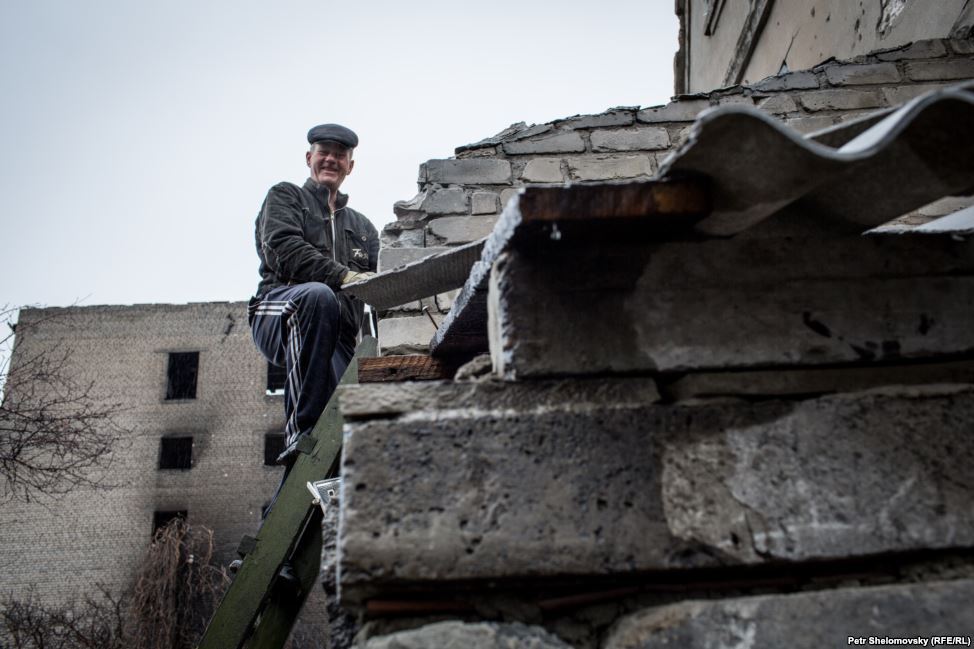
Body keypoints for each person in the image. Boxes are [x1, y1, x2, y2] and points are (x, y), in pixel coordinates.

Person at [249, 123, 379, 470]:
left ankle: (303, 488)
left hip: (337, 335)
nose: (331, 159)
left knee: (338, 430)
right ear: (310, 157)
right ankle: (299, 434)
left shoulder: (363, 228)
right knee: (318, 297)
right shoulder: (286, 196)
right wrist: (343, 275)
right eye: (324, 152)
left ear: (350, 165)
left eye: (340, 155)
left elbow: (382, 290)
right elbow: (283, 249)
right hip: (279, 308)